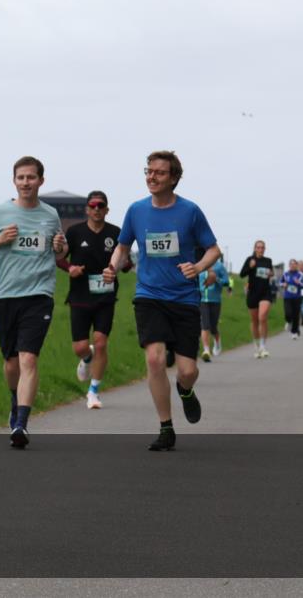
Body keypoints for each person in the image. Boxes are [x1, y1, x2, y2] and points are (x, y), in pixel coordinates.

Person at [104, 151, 220, 451]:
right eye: (148, 171)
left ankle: (185, 390)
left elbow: (213, 250)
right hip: (149, 295)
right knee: (154, 359)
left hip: (184, 298)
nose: (151, 177)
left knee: (187, 370)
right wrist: (112, 267)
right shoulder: (136, 210)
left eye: (159, 173)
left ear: (173, 178)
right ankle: (166, 427)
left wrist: (198, 267)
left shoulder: (190, 211)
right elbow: (122, 247)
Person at [0, 156, 65, 446]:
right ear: (14, 181)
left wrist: (61, 248)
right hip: (4, 296)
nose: (26, 182)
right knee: (11, 362)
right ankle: (15, 401)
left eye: (31, 177)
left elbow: (60, 252)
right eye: (21, 178)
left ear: (41, 180)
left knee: (28, 358)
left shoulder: (50, 215)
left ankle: (21, 424)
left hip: (39, 296)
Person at [57, 190, 130, 410]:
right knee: (80, 347)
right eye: (93, 206)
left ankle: (94, 391)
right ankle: (86, 358)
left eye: (101, 206)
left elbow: (126, 263)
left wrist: (117, 267)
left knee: (100, 342)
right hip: (79, 296)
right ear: (87, 209)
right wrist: (70, 268)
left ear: (107, 210)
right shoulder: (75, 232)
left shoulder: (116, 233)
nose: (97, 209)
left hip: (105, 296)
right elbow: (59, 258)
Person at [239, 240, 275, 358]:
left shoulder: (268, 261)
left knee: (262, 317)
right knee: (254, 321)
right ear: (255, 248)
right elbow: (242, 274)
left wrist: (271, 273)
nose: (260, 249)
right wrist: (250, 267)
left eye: (262, 247)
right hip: (253, 293)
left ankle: (263, 346)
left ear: (264, 249)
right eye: (258, 247)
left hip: (265, 293)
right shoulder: (250, 259)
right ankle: (256, 346)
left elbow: (271, 273)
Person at [198, 254, 229, 361]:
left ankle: (217, 342)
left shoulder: (219, 267)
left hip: (215, 300)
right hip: (202, 300)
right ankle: (206, 350)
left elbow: (226, 282)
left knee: (213, 327)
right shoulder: (200, 265)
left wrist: (217, 279)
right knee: (205, 325)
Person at [279, 259, 303, 339]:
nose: (292, 265)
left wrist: (299, 283)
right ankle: (288, 321)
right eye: (291, 264)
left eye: (294, 264)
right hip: (287, 297)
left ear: (296, 265)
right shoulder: (285, 274)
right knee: (288, 313)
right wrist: (283, 284)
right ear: (289, 265)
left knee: (295, 315)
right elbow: (280, 282)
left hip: (297, 298)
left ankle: (294, 332)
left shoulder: (300, 274)